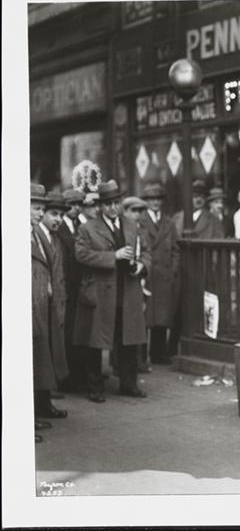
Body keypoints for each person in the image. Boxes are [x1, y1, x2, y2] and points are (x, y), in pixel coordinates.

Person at [73, 180, 151, 403]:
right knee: (96, 341)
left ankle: (129, 384)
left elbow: (146, 251)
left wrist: (142, 266)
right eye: (108, 204)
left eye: (116, 203)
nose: (113, 207)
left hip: (128, 289)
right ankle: (95, 387)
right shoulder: (88, 228)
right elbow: (81, 255)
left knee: (129, 338)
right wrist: (112, 257)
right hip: (101, 292)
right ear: (100, 206)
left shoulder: (131, 225)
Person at [32, 189, 70, 433]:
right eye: (36, 208)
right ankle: (32, 413)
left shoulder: (43, 236)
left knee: (44, 357)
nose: (40, 213)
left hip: (46, 303)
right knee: (36, 359)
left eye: (41, 209)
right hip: (34, 304)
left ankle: (43, 405)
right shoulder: (27, 234)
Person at [138, 183, 180, 366]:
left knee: (161, 316)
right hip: (147, 273)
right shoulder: (140, 220)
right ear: (146, 202)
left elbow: (176, 249)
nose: (155, 202)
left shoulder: (169, 222)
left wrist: (173, 269)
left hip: (163, 275)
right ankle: (140, 357)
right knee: (144, 317)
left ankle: (158, 354)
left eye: (158, 199)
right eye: (151, 199)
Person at [54, 189, 87, 393]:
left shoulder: (82, 225)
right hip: (66, 285)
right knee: (65, 333)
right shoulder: (59, 228)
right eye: (72, 204)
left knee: (77, 332)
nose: (76, 208)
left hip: (80, 286)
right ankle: (64, 378)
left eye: (79, 204)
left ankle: (77, 374)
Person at [121, 196, 152, 373]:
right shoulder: (120, 228)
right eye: (133, 211)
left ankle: (139, 360)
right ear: (125, 211)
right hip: (123, 279)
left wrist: (143, 265)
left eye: (140, 211)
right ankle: (119, 363)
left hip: (139, 278)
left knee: (139, 320)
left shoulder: (142, 231)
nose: (137, 215)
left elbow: (147, 252)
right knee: (123, 322)